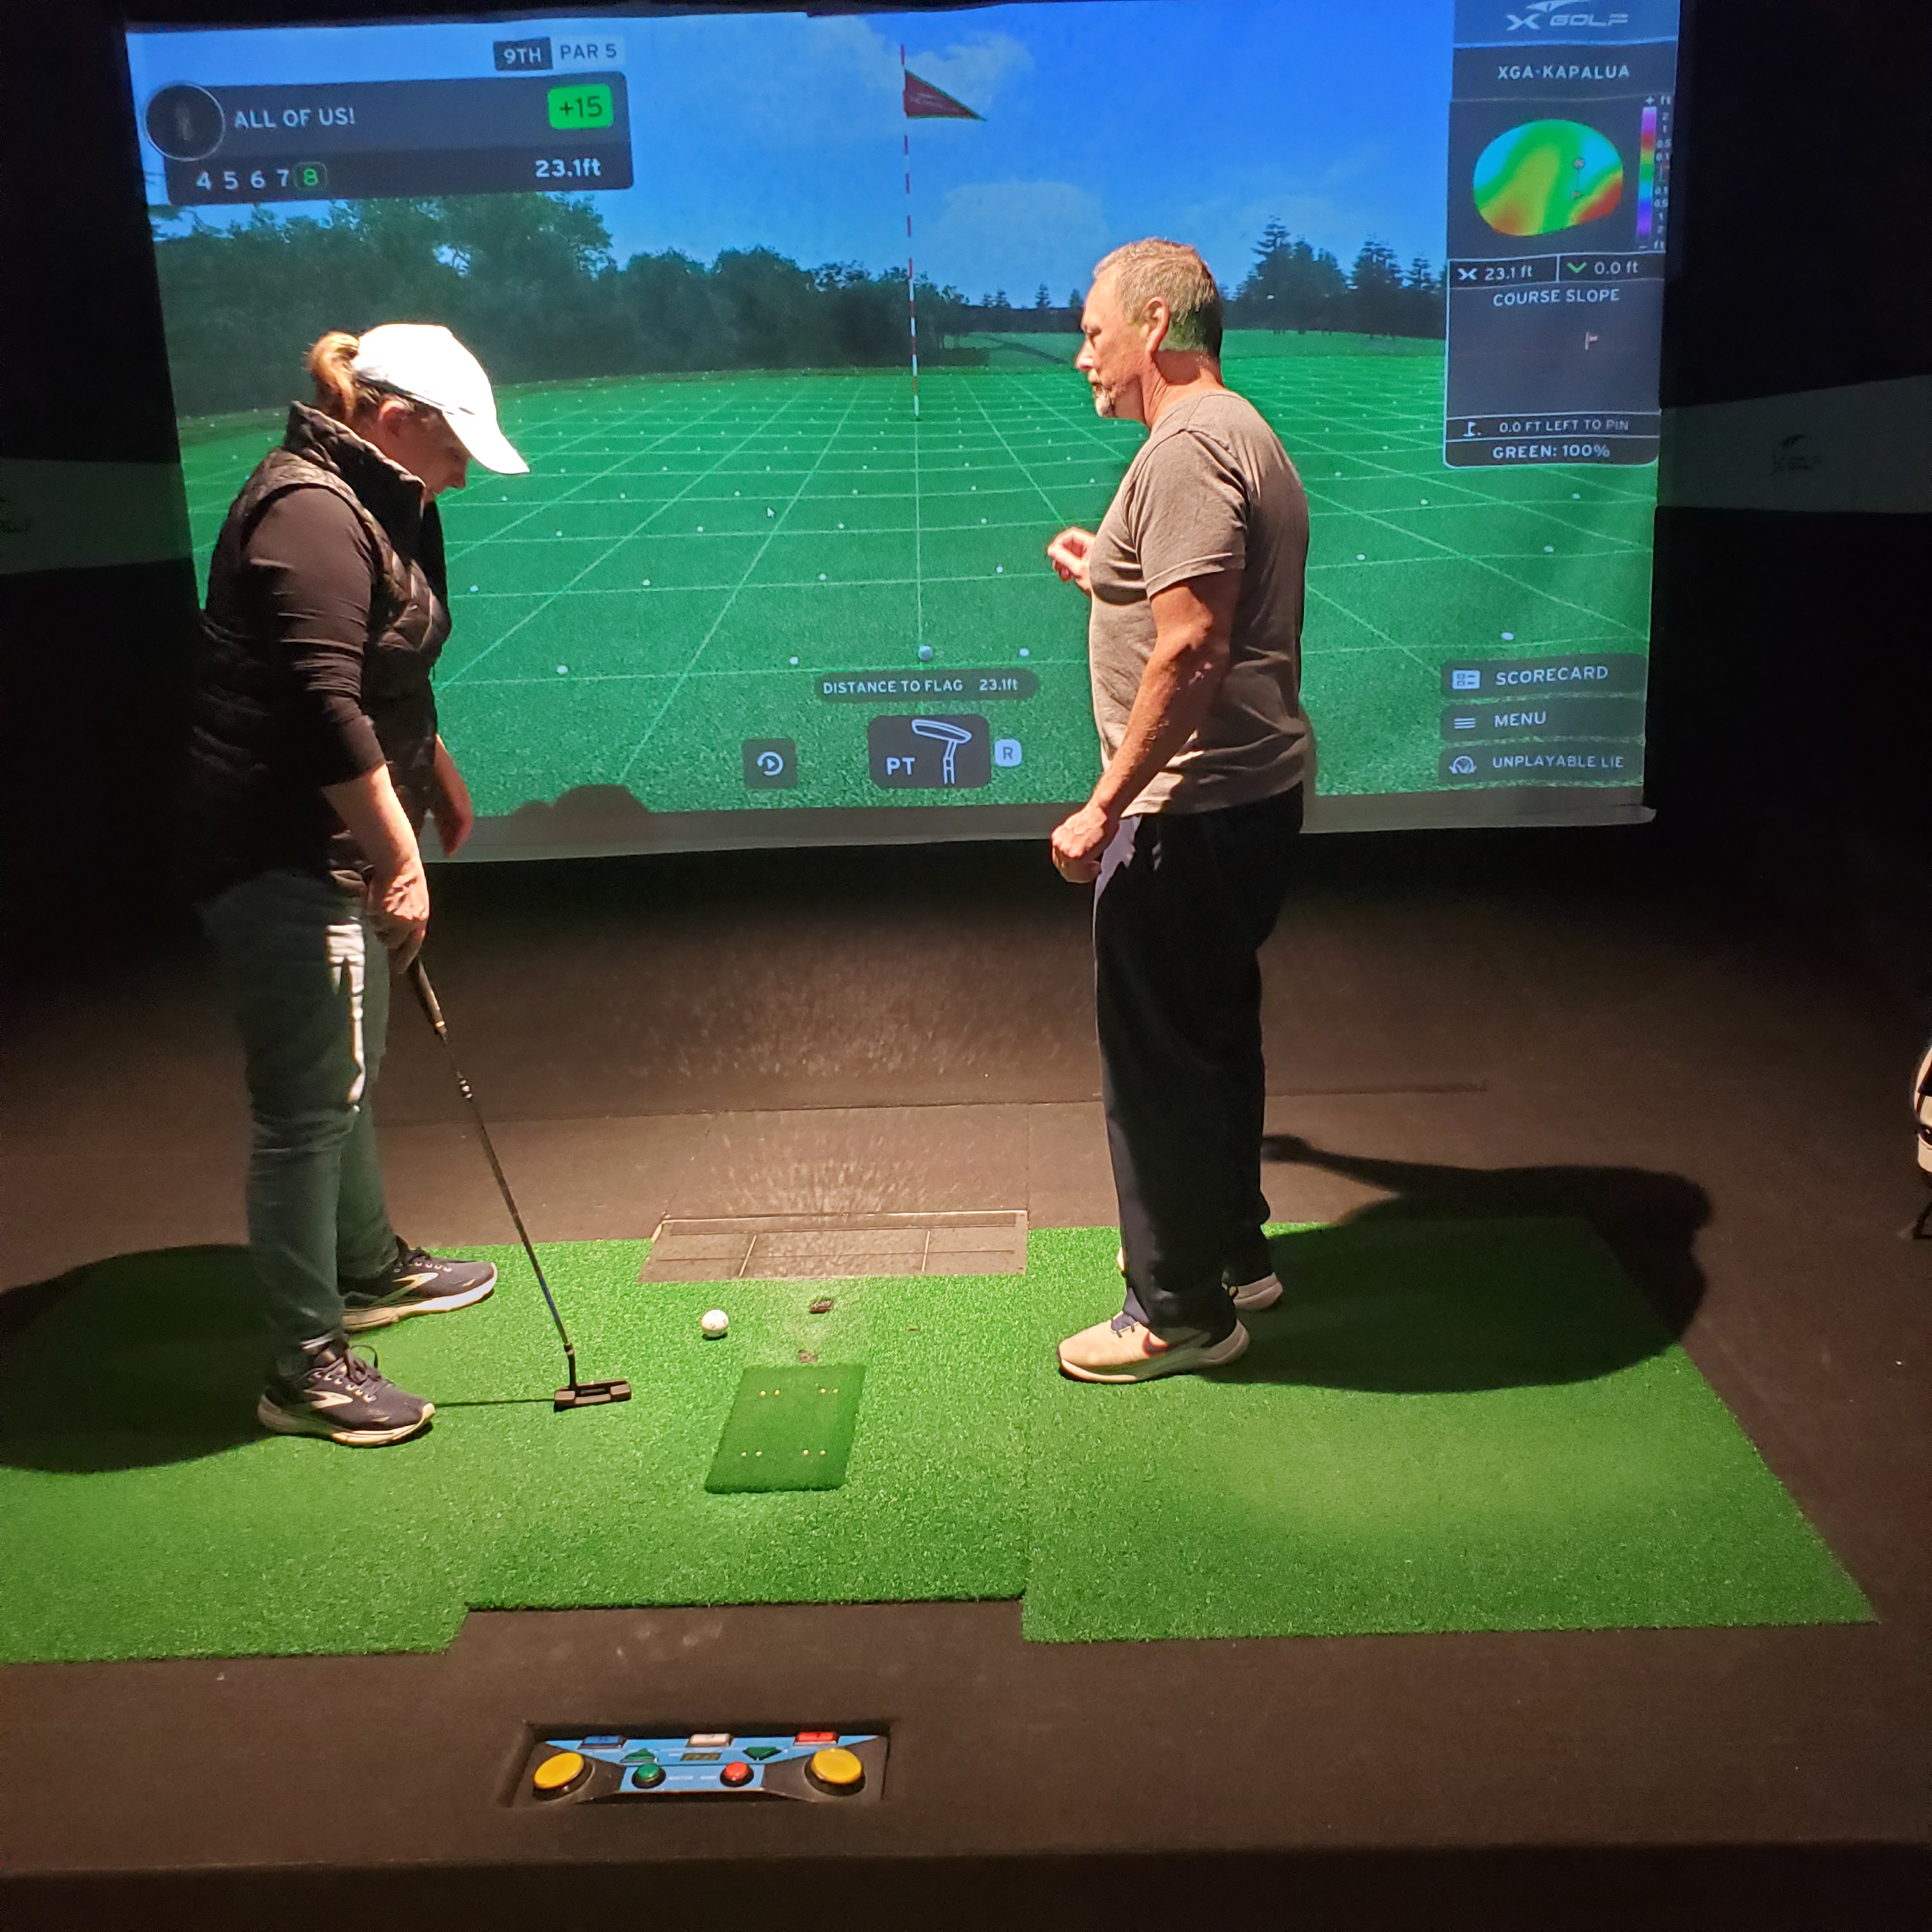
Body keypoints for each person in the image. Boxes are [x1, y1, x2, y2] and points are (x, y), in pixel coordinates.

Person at [185, 323, 529, 1446]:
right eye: (455, 446)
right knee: (306, 1110)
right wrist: (397, 855)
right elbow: (321, 707)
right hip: (280, 849)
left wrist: (438, 767)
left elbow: (383, 673)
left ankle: (369, 1266)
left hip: (332, 837)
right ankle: (303, 1366)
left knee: (347, 1073)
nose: (463, 472)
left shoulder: (383, 500)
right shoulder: (309, 512)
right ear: (392, 419)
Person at [1044, 240, 1311, 1383]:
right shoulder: (1231, 430)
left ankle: (1179, 1312)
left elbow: (1194, 645)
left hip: (1183, 810)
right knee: (1212, 1034)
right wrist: (1106, 570)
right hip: (1236, 803)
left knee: (1157, 1060)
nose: (1082, 357)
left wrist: (1103, 806)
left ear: (1154, 325)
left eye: (1094, 334)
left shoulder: (1191, 446)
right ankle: (1232, 1253)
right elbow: (1187, 596)